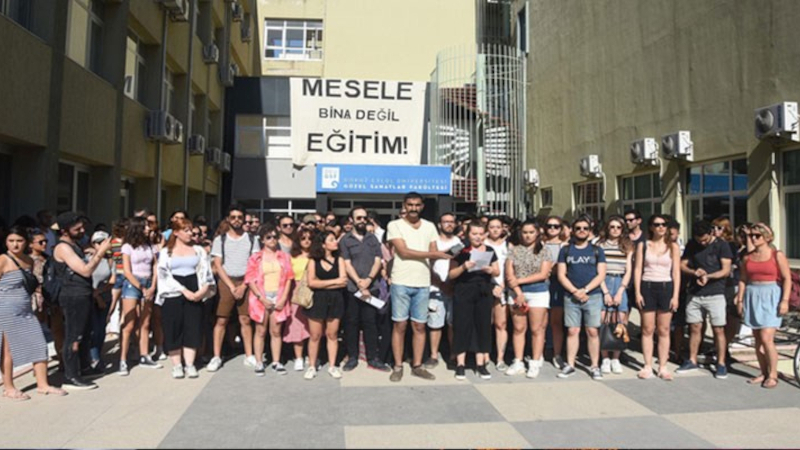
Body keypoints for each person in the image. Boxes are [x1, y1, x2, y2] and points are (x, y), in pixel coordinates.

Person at [386, 192, 451, 382]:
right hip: (401, 281)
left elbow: (433, 252)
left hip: (423, 282)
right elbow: (403, 252)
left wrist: (443, 255)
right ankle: (398, 366)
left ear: (422, 206)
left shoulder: (429, 226)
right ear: (404, 205)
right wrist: (434, 254)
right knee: (399, 325)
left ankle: (417, 365)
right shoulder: (394, 225)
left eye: (417, 205)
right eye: (410, 205)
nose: (413, 208)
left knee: (420, 326)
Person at [0, 226, 67, 399]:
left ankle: (43, 384)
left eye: (19, 241)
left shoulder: (28, 261)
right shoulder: (3, 260)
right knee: (8, 350)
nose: (15, 245)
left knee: (39, 344)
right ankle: (9, 387)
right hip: (6, 309)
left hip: (26, 309)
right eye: (11, 241)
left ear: (26, 242)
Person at [53, 212, 113, 389]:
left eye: (82, 227)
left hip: (84, 294)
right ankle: (71, 376)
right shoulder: (63, 248)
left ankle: (84, 367)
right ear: (64, 230)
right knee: (74, 336)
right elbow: (85, 271)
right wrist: (100, 252)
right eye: (77, 228)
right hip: (73, 296)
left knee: (86, 334)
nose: (82, 231)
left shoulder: (75, 245)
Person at [156, 218, 216, 379]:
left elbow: (206, 272)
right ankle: (177, 365)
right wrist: (183, 290)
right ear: (176, 232)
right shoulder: (166, 251)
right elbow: (163, 274)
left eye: (191, 230)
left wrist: (202, 290)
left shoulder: (199, 250)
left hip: (194, 287)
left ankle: (190, 364)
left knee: (193, 326)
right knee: (173, 327)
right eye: (186, 230)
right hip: (173, 290)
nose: (190, 234)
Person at [736, 223, 792, 389]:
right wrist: (740, 299)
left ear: (767, 237)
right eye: (751, 235)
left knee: (767, 337)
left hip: (771, 295)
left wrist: (785, 300)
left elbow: (787, 278)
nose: (753, 238)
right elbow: (743, 279)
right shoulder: (747, 257)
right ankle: (763, 372)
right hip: (753, 294)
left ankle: (773, 374)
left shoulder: (777, 255)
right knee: (758, 338)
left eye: (757, 235)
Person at [208, 204, 261, 372]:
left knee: (245, 319)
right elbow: (218, 264)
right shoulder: (220, 239)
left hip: (246, 281)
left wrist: (244, 285)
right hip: (226, 281)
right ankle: (216, 356)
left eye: (239, 217)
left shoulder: (252, 239)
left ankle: (249, 354)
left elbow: (255, 264)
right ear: (227, 219)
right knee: (221, 319)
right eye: (233, 217)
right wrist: (231, 286)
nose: (236, 220)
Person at [677, 220, 733, 379]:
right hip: (694, 293)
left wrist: (708, 276)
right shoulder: (692, 245)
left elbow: (726, 270)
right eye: (699, 240)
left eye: (705, 240)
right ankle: (692, 359)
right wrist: (694, 272)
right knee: (694, 327)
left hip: (716, 293)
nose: (702, 243)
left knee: (718, 329)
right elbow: (682, 265)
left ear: (711, 233)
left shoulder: (722, 245)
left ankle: (721, 363)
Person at [557, 216, 607, 380]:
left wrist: (585, 290)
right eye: (578, 228)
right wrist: (575, 291)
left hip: (593, 296)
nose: (582, 231)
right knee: (572, 330)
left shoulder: (597, 250)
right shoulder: (565, 250)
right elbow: (561, 274)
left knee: (592, 331)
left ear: (589, 231)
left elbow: (601, 274)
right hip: (571, 296)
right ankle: (570, 364)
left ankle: (594, 366)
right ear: (573, 230)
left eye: (585, 228)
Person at [448, 220, 499, 380]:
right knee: (462, 325)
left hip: (483, 290)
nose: (478, 237)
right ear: (467, 234)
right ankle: (460, 364)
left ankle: (480, 364)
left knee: (482, 325)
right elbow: (451, 274)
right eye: (474, 233)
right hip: (464, 289)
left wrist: (490, 270)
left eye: (481, 234)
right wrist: (464, 267)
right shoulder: (459, 249)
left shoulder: (489, 250)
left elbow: (497, 271)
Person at [634, 215, 681, 380]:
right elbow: (638, 269)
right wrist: (637, 292)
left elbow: (676, 272)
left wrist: (675, 295)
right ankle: (647, 365)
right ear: (651, 227)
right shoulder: (643, 245)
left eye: (664, 224)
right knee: (647, 329)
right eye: (657, 224)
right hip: (647, 286)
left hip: (666, 287)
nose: (661, 227)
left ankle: (662, 366)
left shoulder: (673, 246)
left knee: (664, 329)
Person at [340, 206, 387, 372]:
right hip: (353, 289)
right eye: (358, 218)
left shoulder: (372, 239)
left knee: (370, 323)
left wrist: (368, 280)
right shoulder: (345, 240)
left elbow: (377, 260)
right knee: (351, 322)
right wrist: (359, 282)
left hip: (371, 288)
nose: (362, 221)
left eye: (364, 218)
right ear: (351, 220)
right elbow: (346, 263)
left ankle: (372, 357)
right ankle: (352, 357)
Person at [245, 224, 294, 376]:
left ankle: (276, 361)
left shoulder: (284, 257)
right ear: (262, 240)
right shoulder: (255, 258)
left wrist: (284, 298)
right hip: (261, 297)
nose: (272, 240)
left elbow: (289, 278)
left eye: (275, 237)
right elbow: (250, 279)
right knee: (260, 331)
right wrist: (261, 297)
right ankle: (259, 362)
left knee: (276, 331)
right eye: (268, 237)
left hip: (278, 296)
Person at [505, 219, 553, 378]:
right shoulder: (514, 250)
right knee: (519, 328)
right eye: (525, 232)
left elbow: (543, 274)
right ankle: (518, 361)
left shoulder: (545, 251)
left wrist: (520, 281)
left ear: (537, 233)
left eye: (531, 232)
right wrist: (518, 292)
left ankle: (535, 361)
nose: (527, 235)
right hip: (517, 293)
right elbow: (509, 274)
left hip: (538, 292)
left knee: (536, 329)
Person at [119, 217, 161, 375]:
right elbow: (127, 271)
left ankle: (144, 355)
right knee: (129, 323)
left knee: (145, 322)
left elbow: (155, 265)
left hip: (148, 282)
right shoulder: (127, 246)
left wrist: (153, 286)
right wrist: (141, 287)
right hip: (133, 283)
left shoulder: (151, 246)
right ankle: (123, 360)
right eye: (145, 227)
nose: (148, 229)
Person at [305, 231, 347, 379]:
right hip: (318, 300)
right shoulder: (313, 261)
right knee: (315, 335)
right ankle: (312, 366)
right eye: (331, 239)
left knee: (332, 334)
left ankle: (332, 365)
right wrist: (334, 282)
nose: (336, 242)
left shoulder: (339, 260)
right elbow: (311, 283)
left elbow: (343, 281)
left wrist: (322, 284)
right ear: (323, 244)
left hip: (336, 299)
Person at [595, 215, 633, 375]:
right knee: (603, 320)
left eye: (618, 227)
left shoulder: (628, 246)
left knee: (620, 320)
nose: (615, 230)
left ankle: (616, 357)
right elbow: (597, 270)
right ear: (607, 228)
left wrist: (620, 291)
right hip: (603, 281)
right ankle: (604, 357)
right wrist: (605, 291)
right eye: (612, 227)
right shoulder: (599, 245)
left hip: (620, 282)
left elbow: (628, 270)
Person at [426, 213, 461, 370]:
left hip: (454, 289)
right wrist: (440, 284)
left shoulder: (459, 242)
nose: (449, 224)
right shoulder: (433, 242)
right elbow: (428, 264)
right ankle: (433, 355)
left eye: (451, 222)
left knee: (453, 323)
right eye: (445, 222)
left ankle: (453, 355)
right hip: (436, 288)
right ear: (439, 225)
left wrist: (451, 285)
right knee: (435, 324)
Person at [284, 228, 313, 371]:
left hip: (313, 291)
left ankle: (311, 354)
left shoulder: (316, 256)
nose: (307, 241)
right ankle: (299, 357)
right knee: (297, 324)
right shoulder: (292, 257)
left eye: (309, 238)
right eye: (303, 238)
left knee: (313, 325)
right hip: (296, 291)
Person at [712, 216, 740, 365]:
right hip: (718, 285)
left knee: (731, 318)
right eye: (713, 227)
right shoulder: (712, 244)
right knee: (719, 320)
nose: (715, 230)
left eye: (719, 228)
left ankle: (724, 347)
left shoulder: (731, 245)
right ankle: (718, 348)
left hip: (731, 284)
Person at [485, 217, 511, 371]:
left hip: (504, 287)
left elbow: (513, 268)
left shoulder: (509, 245)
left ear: (503, 228)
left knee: (501, 324)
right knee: (485, 323)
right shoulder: (482, 244)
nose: (495, 230)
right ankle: (485, 356)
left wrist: (503, 285)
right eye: (491, 227)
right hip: (486, 287)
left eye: (498, 227)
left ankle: (500, 358)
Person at [88, 231, 114, 375]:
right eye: (98, 242)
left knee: (101, 329)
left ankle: (97, 354)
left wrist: (101, 293)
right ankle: (94, 358)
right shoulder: (87, 258)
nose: (101, 245)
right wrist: (96, 295)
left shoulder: (110, 260)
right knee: (93, 329)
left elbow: (112, 280)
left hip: (105, 297)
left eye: (103, 242)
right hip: (90, 298)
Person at [543, 216, 567, 369]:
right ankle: (541, 350)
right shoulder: (540, 244)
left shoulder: (565, 246)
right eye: (549, 225)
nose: (552, 229)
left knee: (556, 321)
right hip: (541, 283)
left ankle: (556, 353)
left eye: (556, 226)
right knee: (541, 321)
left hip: (558, 284)